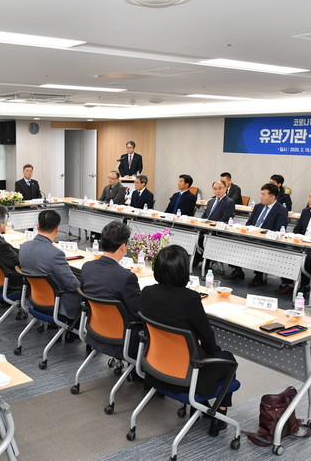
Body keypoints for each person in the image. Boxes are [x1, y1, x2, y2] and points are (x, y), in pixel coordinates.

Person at [141, 245, 237, 437]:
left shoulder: (147, 292)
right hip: (185, 378)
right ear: (183, 270)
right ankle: (220, 414)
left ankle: (201, 407)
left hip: (155, 370)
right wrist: (207, 349)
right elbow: (208, 339)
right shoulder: (190, 298)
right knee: (227, 360)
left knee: (209, 354)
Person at [80, 221, 141, 359]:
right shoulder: (126, 277)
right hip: (122, 336)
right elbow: (138, 312)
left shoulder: (87, 267)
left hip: (94, 329)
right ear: (123, 247)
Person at [19, 210, 81, 320]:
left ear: (37, 225)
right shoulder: (55, 254)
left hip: (34, 300)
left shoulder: (24, 246)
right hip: (57, 305)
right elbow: (74, 285)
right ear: (57, 229)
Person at [225, 183, 288, 285]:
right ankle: (237, 270)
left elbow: (278, 229)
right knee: (232, 241)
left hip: (266, 239)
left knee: (260, 247)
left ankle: (259, 276)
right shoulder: (258, 207)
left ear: (272, 197)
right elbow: (249, 223)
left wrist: (260, 233)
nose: (260, 197)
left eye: (263, 194)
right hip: (251, 235)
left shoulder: (281, 210)